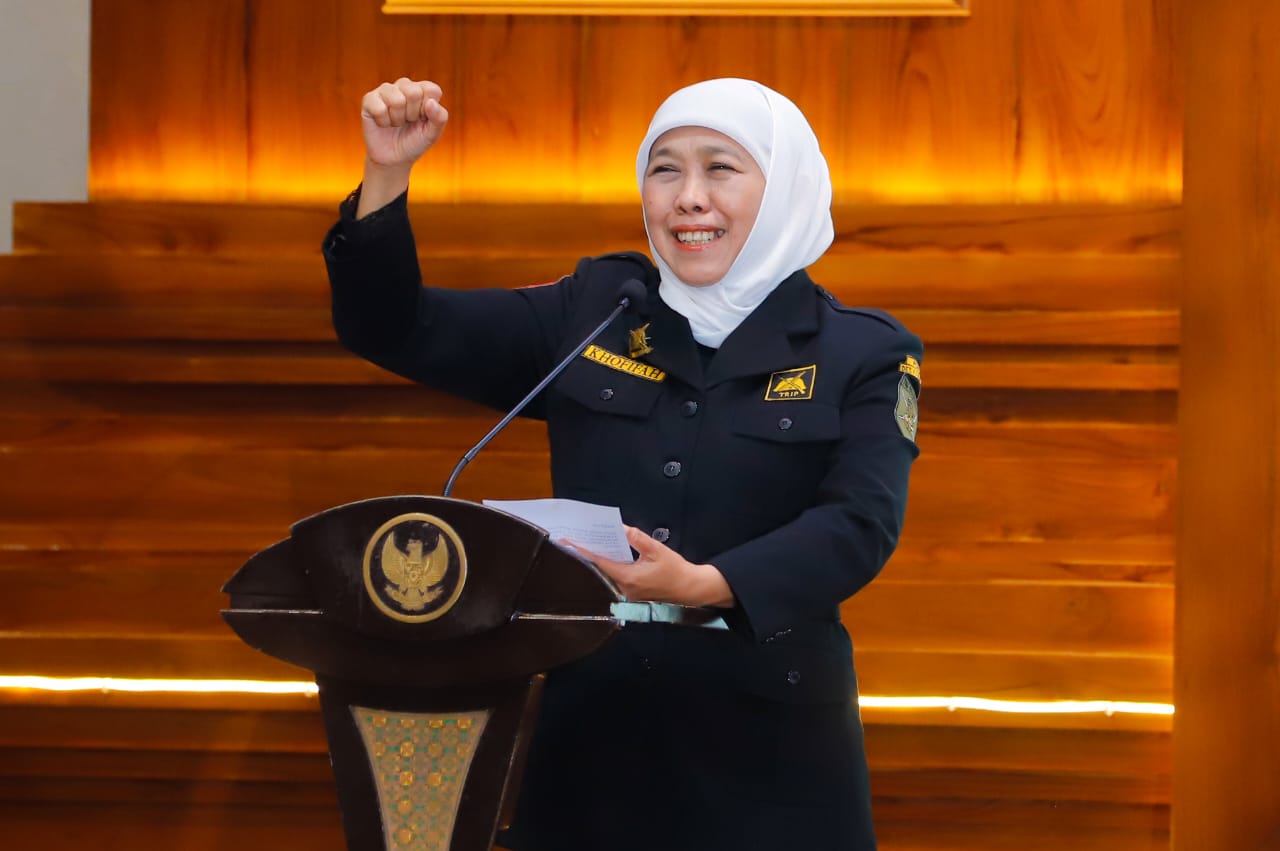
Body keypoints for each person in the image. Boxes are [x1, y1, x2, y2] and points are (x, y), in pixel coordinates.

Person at [324, 76, 922, 851]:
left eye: (721, 168)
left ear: (785, 189)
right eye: (664, 169)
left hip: (772, 750)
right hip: (591, 740)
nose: (688, 197)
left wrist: (707, 585)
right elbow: (395, 327)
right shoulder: (600, 308)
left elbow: (860, 522)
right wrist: (387, 173)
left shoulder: (863, 349)